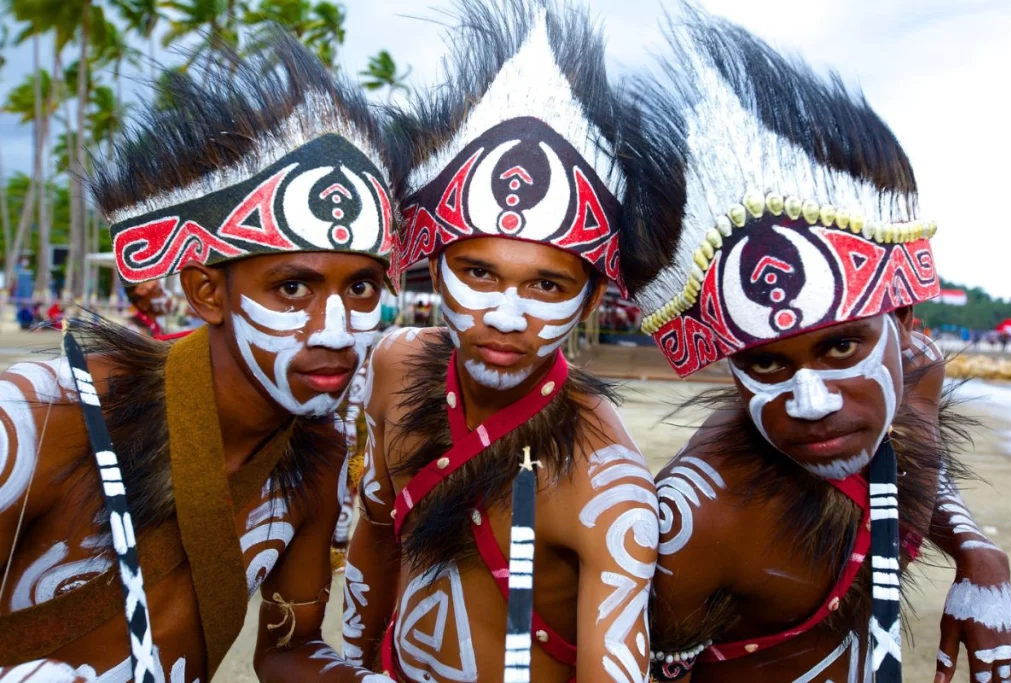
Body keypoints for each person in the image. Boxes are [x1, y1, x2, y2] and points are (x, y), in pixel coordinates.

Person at [622, 8, 1011, 683]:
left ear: (904, 321)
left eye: (841, 348)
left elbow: (925, 458)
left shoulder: (918, 373)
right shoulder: (696, 518)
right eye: (765, 361)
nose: (810, 401)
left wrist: (979, 554)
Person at [0, 33, 396, 682]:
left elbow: (290, 649)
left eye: (361, 288)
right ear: (207, 293)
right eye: (292, 287)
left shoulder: (319, 457)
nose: (336, 330)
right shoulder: (45, 412)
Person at [337, 2, 681, 681]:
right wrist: (352, 665)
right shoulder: (393, 363)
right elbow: (374, 534)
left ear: (591, 298)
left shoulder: (608, 486)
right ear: (436, 264)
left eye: (547, 285)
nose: (503, 314)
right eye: (479, 273)